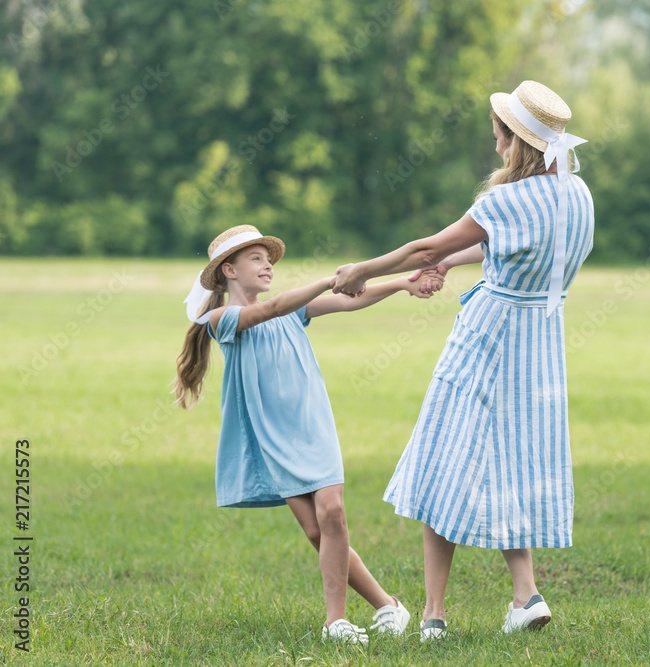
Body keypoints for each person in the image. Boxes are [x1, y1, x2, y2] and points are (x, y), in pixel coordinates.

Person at [331, 80, 594, 639]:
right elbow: (516, 245)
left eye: (499, 138)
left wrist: (363, 270)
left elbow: (424, 248)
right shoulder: (578, 195)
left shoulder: (505, 200)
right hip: (540, 349)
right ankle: (525, 596)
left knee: (440, 460)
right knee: (513, 463)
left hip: (488, 340)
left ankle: (433, 616)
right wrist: (456, 263)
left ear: (517, 143)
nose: (496, 147)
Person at [173, 224, 443, 643]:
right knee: (318, 532)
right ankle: (388, 606)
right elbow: (272, 308)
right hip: (272, 436)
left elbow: (348, 301)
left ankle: (335, 621)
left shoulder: (297, 311)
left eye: (268, 259)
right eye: (256, 259)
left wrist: (401, 285)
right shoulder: (220, 319)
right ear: (228, 270)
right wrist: (327, 279)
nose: (267, 267)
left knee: (332, 512)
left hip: (311, 422)